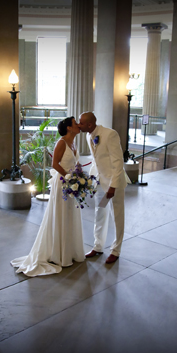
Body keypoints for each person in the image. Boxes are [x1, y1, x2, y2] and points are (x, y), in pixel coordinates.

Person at [11, 117, 85, 277]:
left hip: (72, 183)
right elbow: (55, 164)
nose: (78, 125)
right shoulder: (61, 143)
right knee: (61, 214)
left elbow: (75, 163)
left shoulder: (74, 143)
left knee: (71, 215)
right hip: (63, 183)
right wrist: (69, 177)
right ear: (69, 128)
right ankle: (58, 253)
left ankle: (69, 251)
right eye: (75, 123)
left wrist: (79, 177)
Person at [78, 112, 127, 264]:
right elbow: (96, 160)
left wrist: (113, 186)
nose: (79, 125)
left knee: (117, 215)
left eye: (81, 122)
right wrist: (91, 179)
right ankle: (98, 246)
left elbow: (118, 163)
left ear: (89, 125)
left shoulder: (110, 134)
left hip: (114, 184)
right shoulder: (88, 136)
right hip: (100, 183)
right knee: (100, 213)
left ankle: (116, 250)